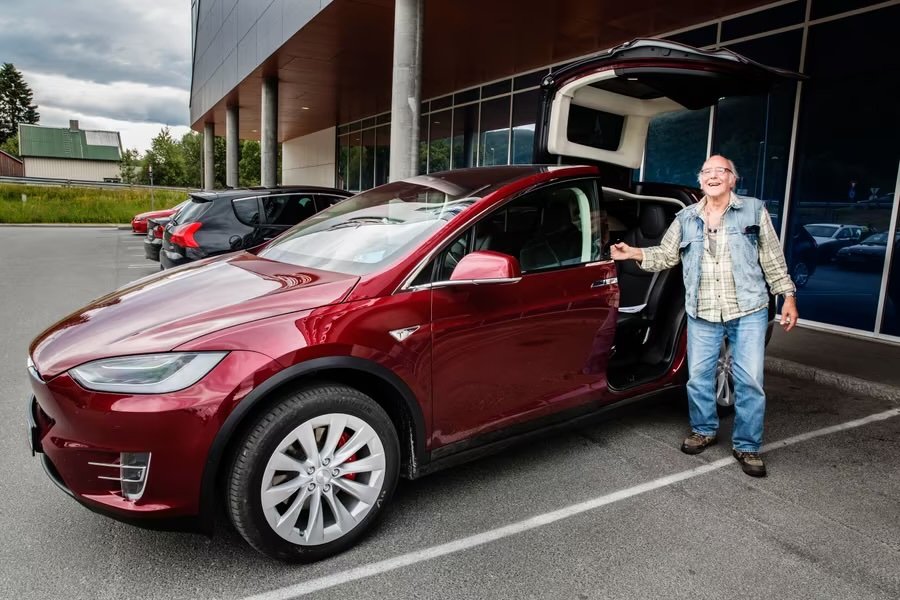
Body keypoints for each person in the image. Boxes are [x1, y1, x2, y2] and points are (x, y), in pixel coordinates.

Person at [611, 155, 799, 477]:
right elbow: (666, 255)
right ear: (701, 180)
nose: (713, 176)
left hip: (748, 310)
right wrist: (634, 252)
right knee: (698, 378)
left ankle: (747, 446)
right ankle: (704, 429)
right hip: (703, 311)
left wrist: (788, 297)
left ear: (732, 179)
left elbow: (772, 258)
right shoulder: (686, 218)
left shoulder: (753, 211)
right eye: (707, 172)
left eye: (720, 171)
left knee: (750, 381)